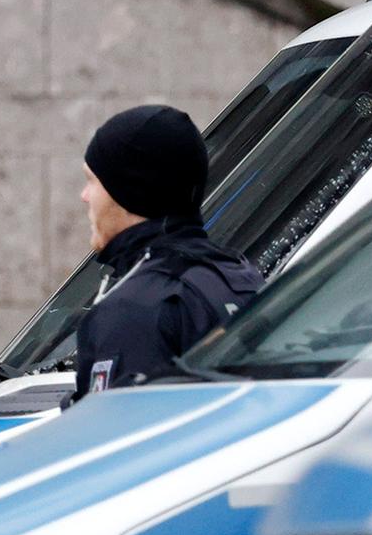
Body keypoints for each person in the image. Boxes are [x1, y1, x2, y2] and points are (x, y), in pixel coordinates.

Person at [70, 104, 265, 398]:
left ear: (127, 190)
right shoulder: (240, 276)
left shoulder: (135, 308)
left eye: (92, 181)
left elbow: (117, 434)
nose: (85, 197)